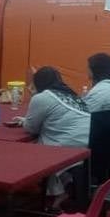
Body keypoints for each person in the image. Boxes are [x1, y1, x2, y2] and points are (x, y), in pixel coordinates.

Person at [12, 67, 90, 202]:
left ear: (38, 82)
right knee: (46, 138)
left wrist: (26, 118)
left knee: (38, 146)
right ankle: (64, 185)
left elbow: (31, 128)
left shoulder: (42, 97)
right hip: (88, 141)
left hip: (69, 144)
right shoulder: (70, 94)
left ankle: (52, 194)